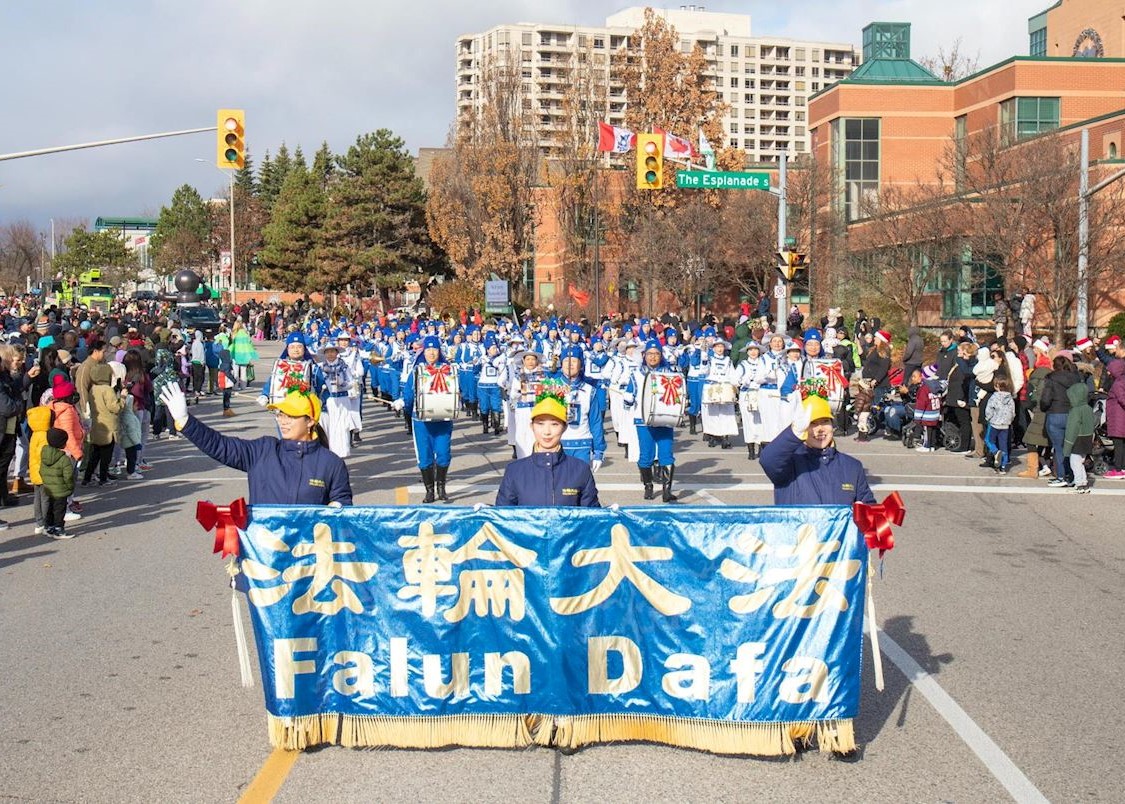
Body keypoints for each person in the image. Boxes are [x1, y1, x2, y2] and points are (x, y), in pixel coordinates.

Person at [160, 382, 352, 505]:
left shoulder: (331, 464)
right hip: (262, 560)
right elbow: (221, 446)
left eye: (291, 416)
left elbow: (343, 515)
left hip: (306, 561)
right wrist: (185, 421)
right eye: (280, 414)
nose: (282, 421)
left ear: (310, 421)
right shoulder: (264, 450)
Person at [760, 392, 876, 505]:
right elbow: (768, 459)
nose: (820, 428)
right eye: (812, 423)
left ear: (832, 425)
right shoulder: (790, 463)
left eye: (825, 421)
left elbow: (869, 504)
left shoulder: (852, 466)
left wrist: (865, 513)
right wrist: (794, 432)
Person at [494, 384, 600, 506]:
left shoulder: (580, 470)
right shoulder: (515, 471)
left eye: (554, 424)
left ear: (564, 427)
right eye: (540, 423)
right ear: (531, 426)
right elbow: (502, 517)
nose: (547, 432)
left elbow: (593, 517)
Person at [396, 335, 455, 504]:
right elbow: (408, 393)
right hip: (421, 421)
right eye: (428, 349)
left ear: (439, 351)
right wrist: (403, 403)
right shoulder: (417, 371)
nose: (431, 352)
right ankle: (429, 491)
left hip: (443, 420)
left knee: (444, 453)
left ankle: (441, 487)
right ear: (424, 351)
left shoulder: (448, 369)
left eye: (434, 349)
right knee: (425, 456)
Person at [623, 339, 678, 502]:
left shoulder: (669, 373)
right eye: (650, 354)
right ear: (644, 355)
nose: (653, 357)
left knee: (666, 454)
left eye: (656, 354)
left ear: (661, 356)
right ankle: (648, 485)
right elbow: (629, 394)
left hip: (664, 418)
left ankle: (667, 490)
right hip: (643, 420)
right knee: (646, 455)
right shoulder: (637, 374)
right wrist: (627, 398)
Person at [1039, 355, 1083, 487]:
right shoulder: (1076, 378)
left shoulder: (1051, 378)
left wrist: (1043, 407)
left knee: (1059, 448)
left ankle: (1061, 476)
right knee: (1071, 447)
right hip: (1072, 413)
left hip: (1056, 413)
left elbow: (1045, 399)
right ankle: (1073, 475)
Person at [82, 362, 124, 487]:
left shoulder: (93, 389)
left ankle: (87, 478)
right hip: (109, 427)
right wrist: (122, 397)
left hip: (97, 425)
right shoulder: (107, 390)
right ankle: (103, 478)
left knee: (95, 455)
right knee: (106, 455)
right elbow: (115, 407)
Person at [39, 428, 76, 539]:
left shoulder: (44, 454)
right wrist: (70, 488)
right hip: (61, 489)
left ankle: (48, 527)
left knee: (50, 508)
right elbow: (68, 476)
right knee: (60, 510)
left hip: (48, 487)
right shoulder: (64, 458)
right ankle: (59, 529)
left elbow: (41, 471)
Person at [1063, 381, 1095, 493]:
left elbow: (1072, 428)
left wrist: (1067, 444)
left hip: (1077, 438)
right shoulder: (1088, 408)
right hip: (1087, 437)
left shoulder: (1075, 410)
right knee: (1080, 461)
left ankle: (1079, 483)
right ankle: (1084, 482)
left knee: (1074, 462)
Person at [982, 375, 1016, 472]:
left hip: (994, 423)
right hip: (1005, 425)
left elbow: (989, 410)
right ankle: (1003, 467)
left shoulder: (994, 397)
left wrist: (988, 418)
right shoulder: (1010, 398)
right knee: (1004, 445)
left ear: (996, 386)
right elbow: (1013, 412)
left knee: (989, 440)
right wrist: (1010, 420)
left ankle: (995, 452)